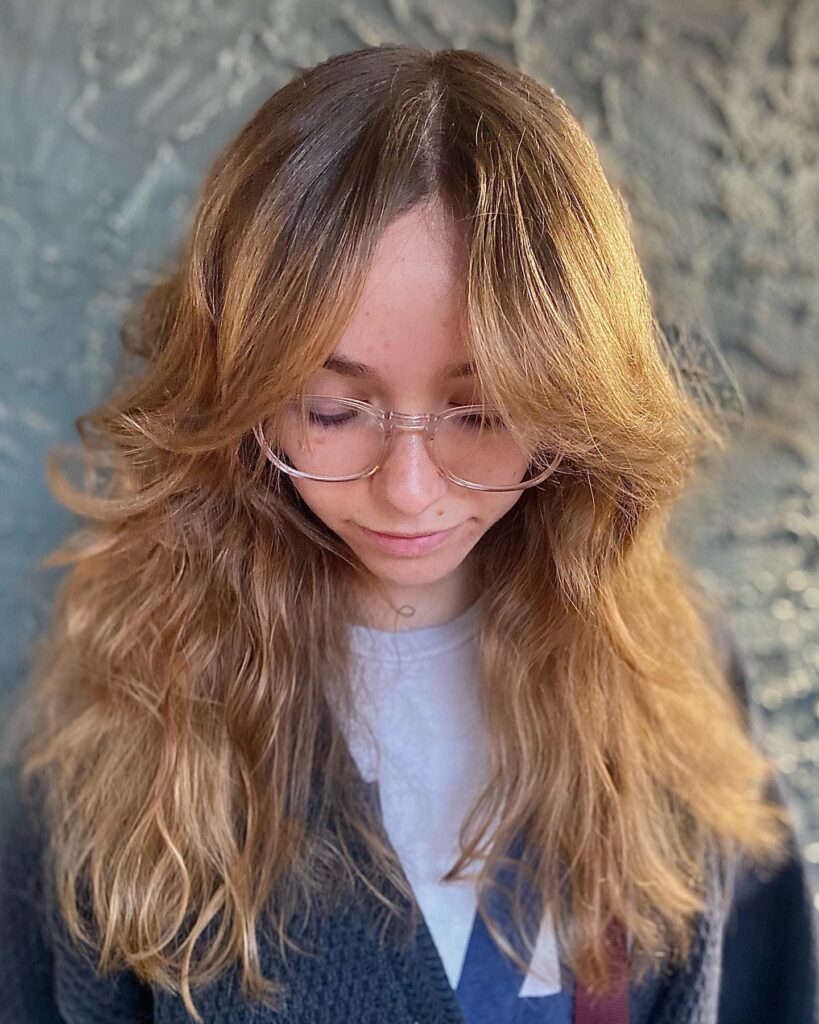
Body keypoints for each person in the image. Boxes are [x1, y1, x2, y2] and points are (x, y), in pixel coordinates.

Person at [0, 43, 814, 1024]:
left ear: (577, 403)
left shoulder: (684, 675)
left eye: (482, 414)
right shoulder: (117, 728)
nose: (410, 490)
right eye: (334, 412)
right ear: (241, 402)